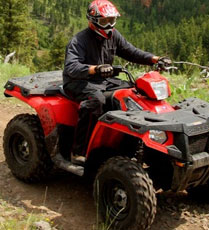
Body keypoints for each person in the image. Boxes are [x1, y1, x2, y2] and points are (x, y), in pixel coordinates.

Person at [63, 0, 169, 157]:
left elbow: (131, 51)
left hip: (103, 80)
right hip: (78, 81)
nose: (108, 25)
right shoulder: (78, 41)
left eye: (111, 20)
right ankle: (80, 151)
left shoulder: (114, 36)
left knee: (133, 93)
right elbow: (71, 68)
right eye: (104, 21)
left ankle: (131, 140)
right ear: (93, 21)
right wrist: (95, 69)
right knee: (95, 101)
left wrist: (155, 59)